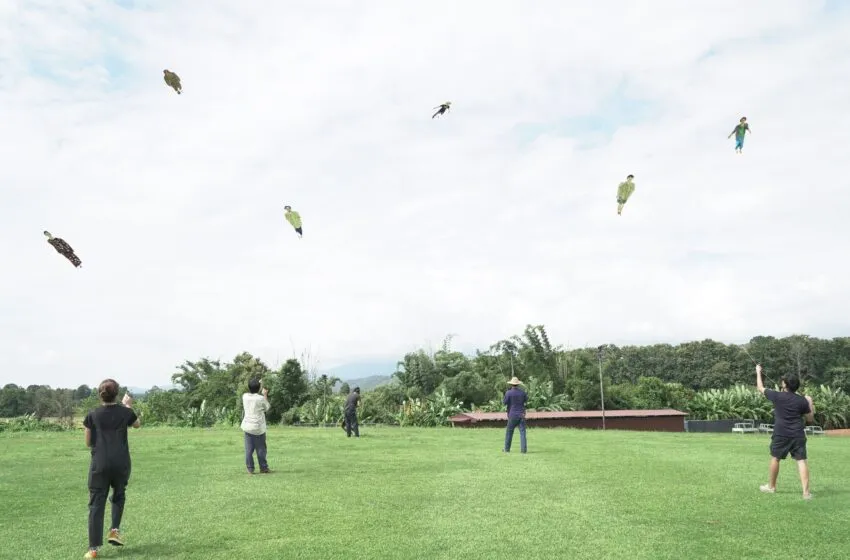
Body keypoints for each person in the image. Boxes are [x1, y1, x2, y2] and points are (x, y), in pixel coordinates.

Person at [82, 380, 140, 559]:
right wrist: (128, 405)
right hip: (121, 462)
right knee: (119, 494)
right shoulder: (125, 412)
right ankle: (114, 530)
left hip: (100, 463)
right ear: (117, 393)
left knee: (96, 504)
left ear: (100, 394)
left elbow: (87, 442)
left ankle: (93, 549)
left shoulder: (92, 415)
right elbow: (137, 424)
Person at [756, 364, 814, 500]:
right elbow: (810, 419)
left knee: (775, 458)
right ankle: (806, 493)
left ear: (785, 384)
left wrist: (758, 372)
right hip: (798, 435)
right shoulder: (802, 400)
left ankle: (771, 487)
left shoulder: (777, 396)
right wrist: (810, 403)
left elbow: (760, 388)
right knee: (801, 461)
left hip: (781, 434)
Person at [241, 378, 271, 474]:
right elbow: (267, 407)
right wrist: (265, 394)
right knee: (261, 449)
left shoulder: (245, 396)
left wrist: (259, 385)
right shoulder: (261, 398)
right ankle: (263, 468)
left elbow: (253, 391)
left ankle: (250, 469)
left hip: (248, 427)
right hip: (258, 428)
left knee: (248, 450)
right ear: (258, 388)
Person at [502, 377, 528, 453]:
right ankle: (523, 450)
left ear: (511, 384)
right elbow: (526, 400)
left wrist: (507, 395)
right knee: (523, 433)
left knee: (509, 432)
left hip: (512, 415)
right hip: (521, 415)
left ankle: (507, 449)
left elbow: (504, 402)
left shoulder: (508, 393)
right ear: (518, 384)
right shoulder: (522, 392)